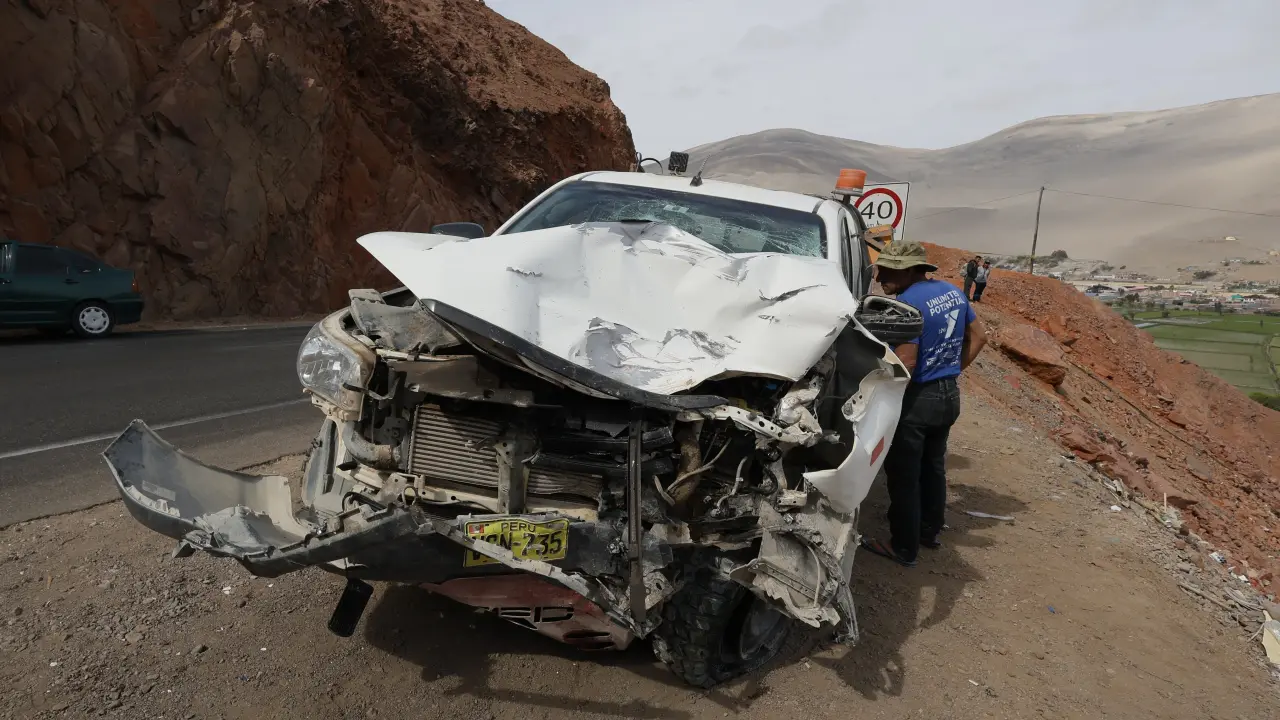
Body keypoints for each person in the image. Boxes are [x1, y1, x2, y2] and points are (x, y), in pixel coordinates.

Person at [861, 241, 989, 567]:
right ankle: (929, 532)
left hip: (918, 400)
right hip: (948, 396)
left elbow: (907, 360)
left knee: (904, 475)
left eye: (887, 269)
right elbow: (980, 336)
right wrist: (951, 371)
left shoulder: (906, 305)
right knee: (933, 468)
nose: (879, 274)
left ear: (908, 271)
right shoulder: (953, 292)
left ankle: (903, 547)